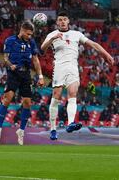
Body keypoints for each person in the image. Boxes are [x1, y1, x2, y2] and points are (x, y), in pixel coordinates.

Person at [41, 11, 114, 140]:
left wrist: (106, 54)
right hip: (59, 67)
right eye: (60, 20)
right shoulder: (52, 34)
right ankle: (53, 129)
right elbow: (42, 48)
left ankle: (70, 124)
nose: (62, 22)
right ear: (57, 22)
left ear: (68, 21)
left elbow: (93, 44)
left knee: (72, 94)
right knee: (56, 96)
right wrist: (52, 39)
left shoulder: (76, 34)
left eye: (65, 19)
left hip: (73, 68)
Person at [0, 20, 44, 145]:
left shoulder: (31, 43)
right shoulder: (10, 40)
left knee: (27, 102)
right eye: (28, 34)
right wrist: (10, 65)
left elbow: (36, 60)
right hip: (13, 73)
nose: (29, 36)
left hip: (26, 74)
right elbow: (5, 58)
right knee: (8, 98)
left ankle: (21, 131)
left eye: (31, 34)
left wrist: (41, 76)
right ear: (21, 30)